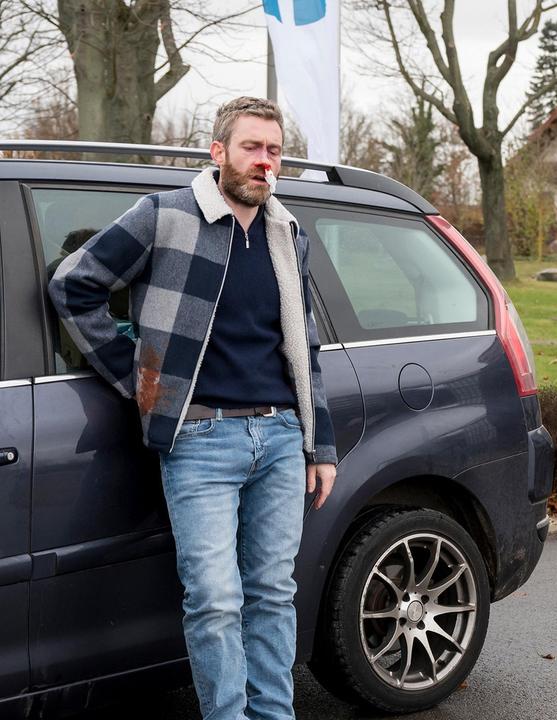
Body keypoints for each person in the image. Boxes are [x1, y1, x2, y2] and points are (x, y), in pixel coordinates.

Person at [49, 96, 338, 718]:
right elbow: (74, 285)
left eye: (274, 151)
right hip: (201, 440)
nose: (265, 162)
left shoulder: (289, 233)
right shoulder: (165, 216)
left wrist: (322, 445)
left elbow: (304, 346)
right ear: (218, 152)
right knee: (213, 599)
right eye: (251, 148)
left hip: (283, 437)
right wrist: (141, 378)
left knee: (273, 594)